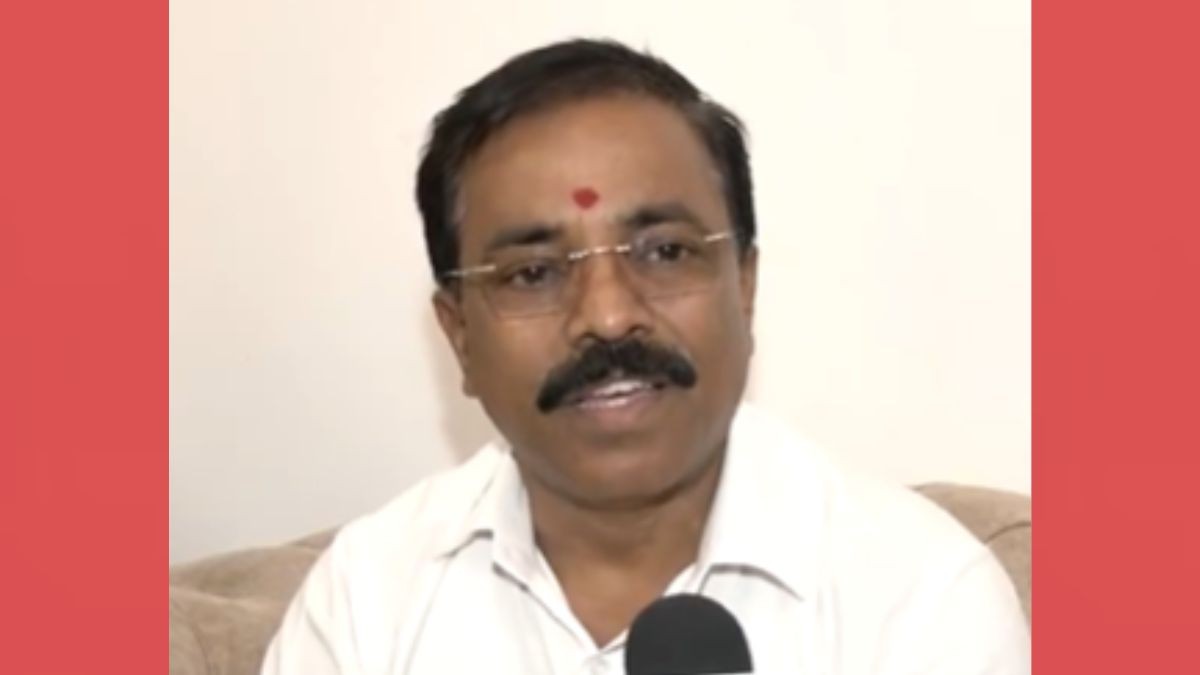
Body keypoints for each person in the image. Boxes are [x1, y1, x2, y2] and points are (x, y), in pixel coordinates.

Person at [262, 38, 1029, 674]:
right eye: (532, 272)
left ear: (745, 288)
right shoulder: (369, 600)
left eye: (664, 252)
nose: (607, 315)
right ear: (460, 334)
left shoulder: (922, 601)